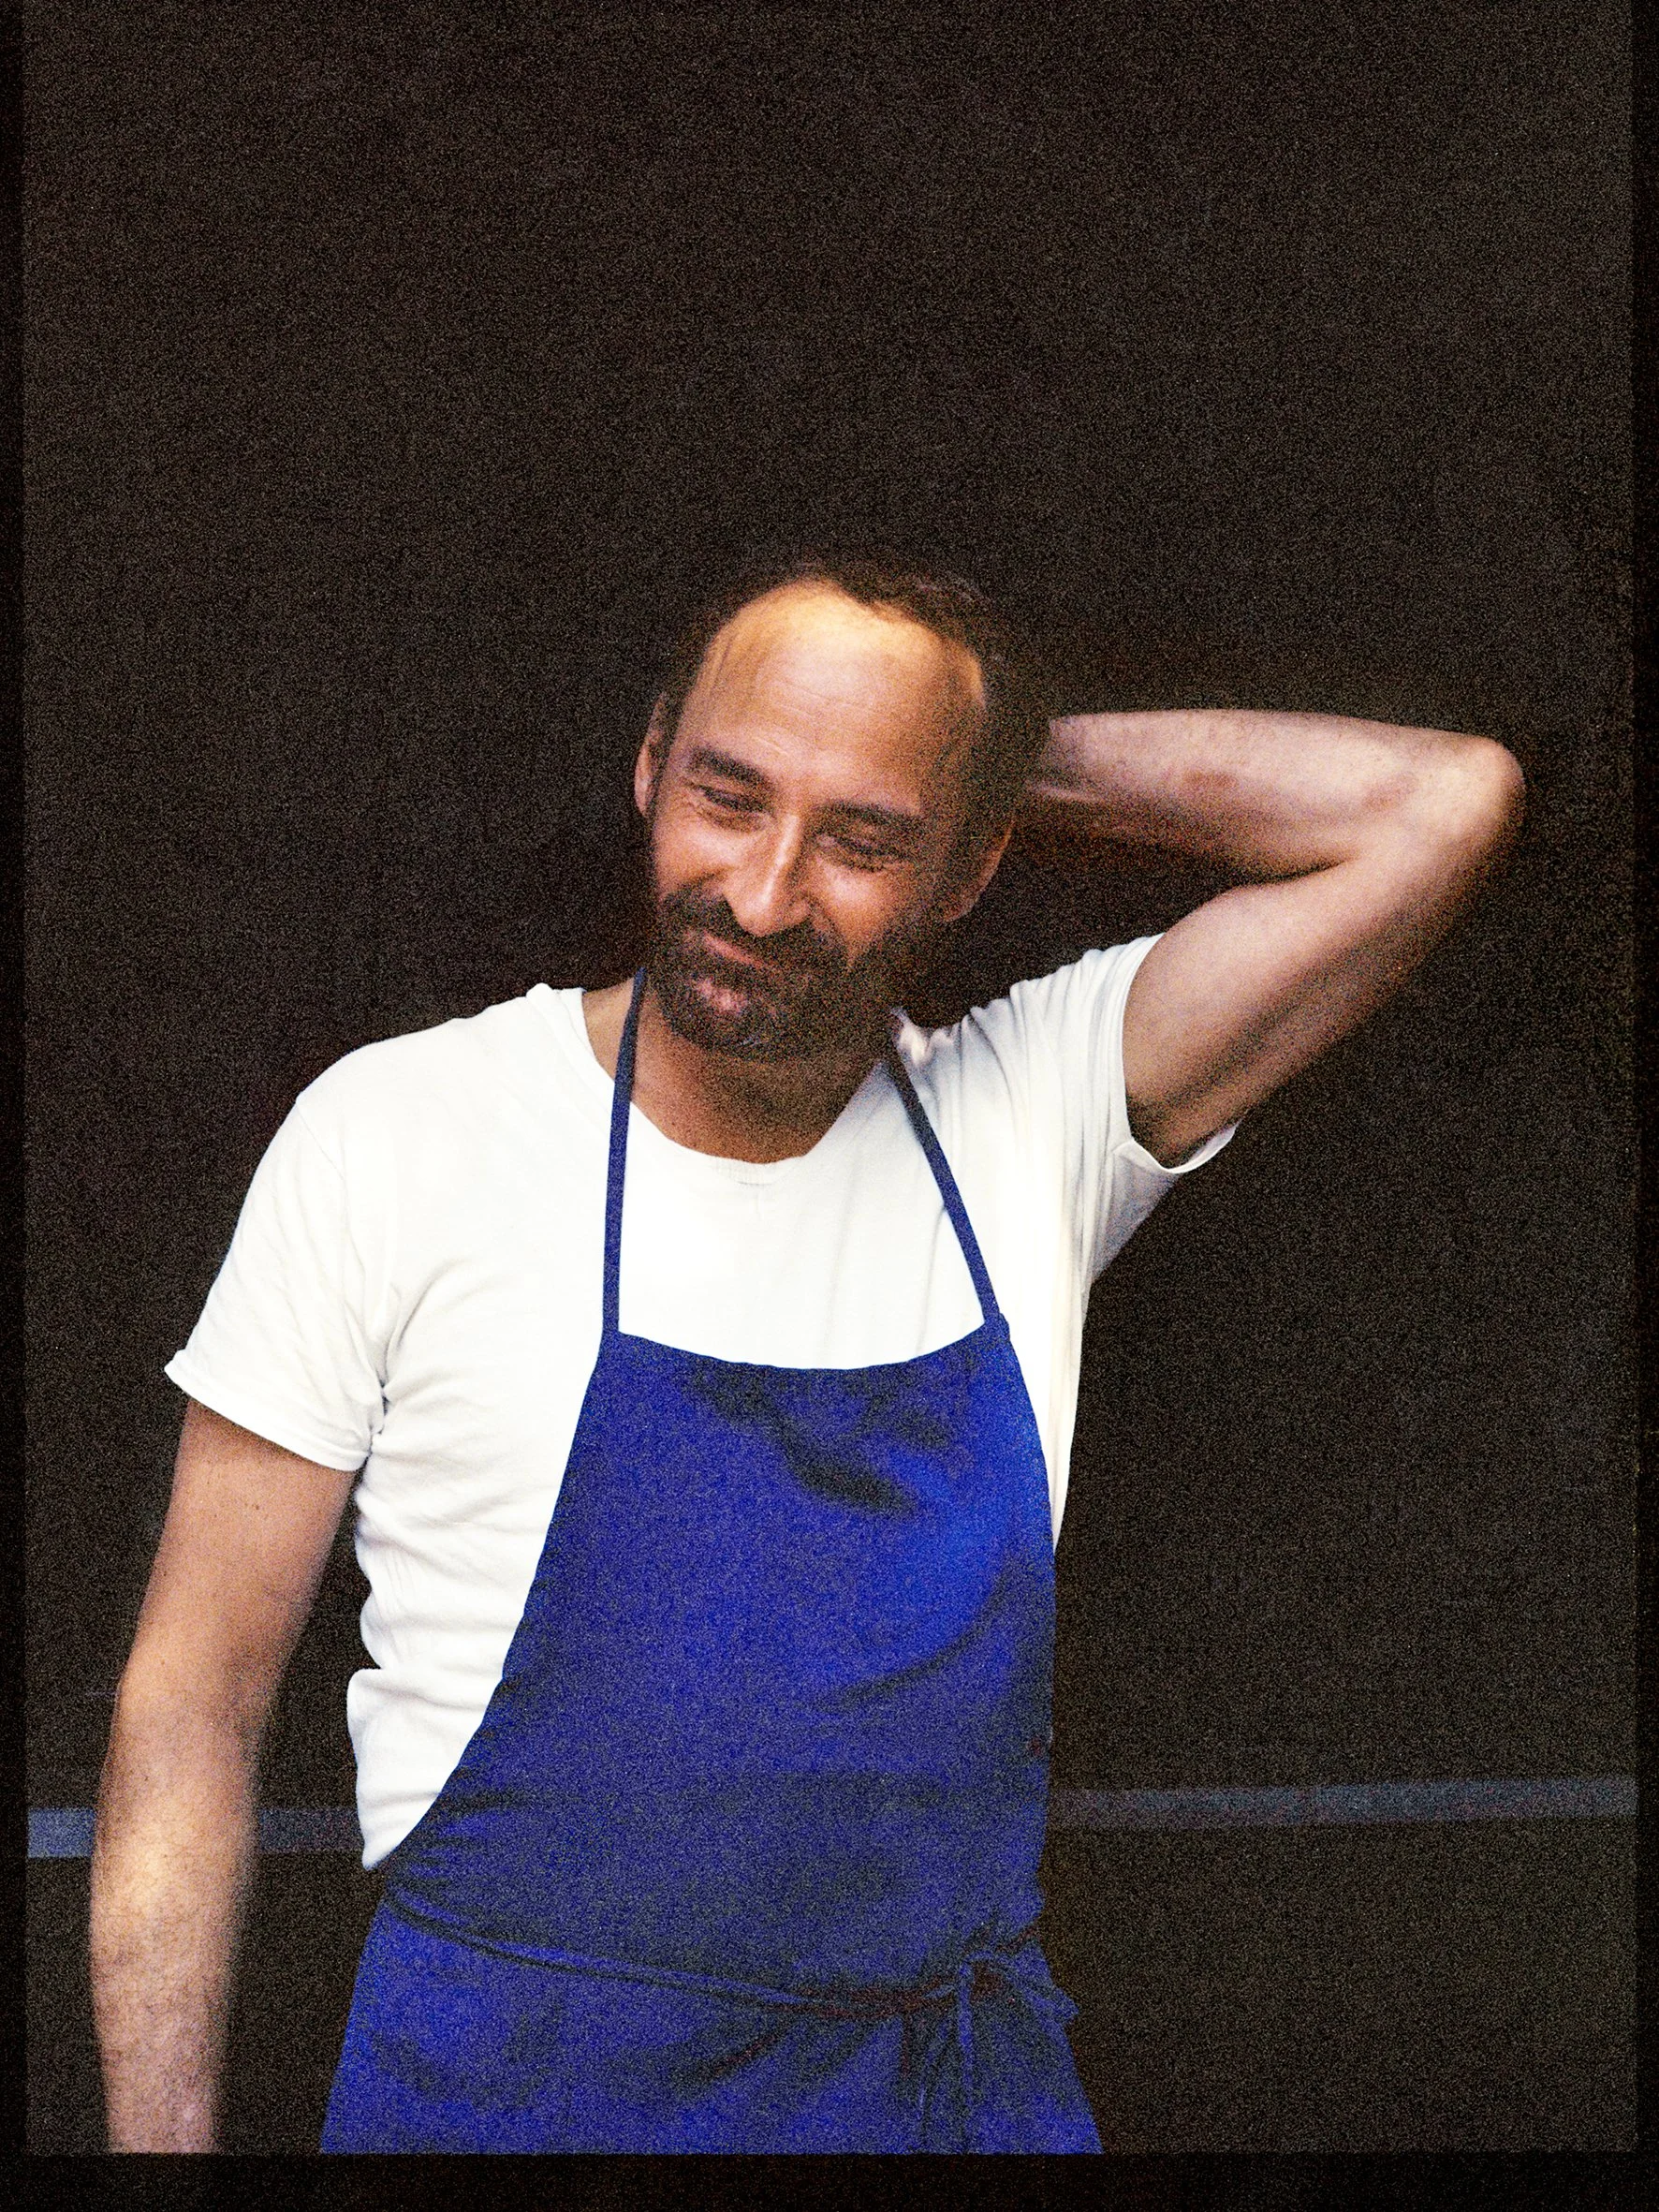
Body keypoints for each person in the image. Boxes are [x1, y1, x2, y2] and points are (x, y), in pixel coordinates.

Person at [89, 552, 1524, 2153]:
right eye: (727, 792)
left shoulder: (1027, 1114)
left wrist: (976, 740)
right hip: (512, 2093)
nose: (764, 895)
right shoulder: (399, 1133)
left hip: (944, 2105)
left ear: (970, 866)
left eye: (864, 839)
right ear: (648, 767)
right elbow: (189, 1705)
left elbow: (1440, 806)